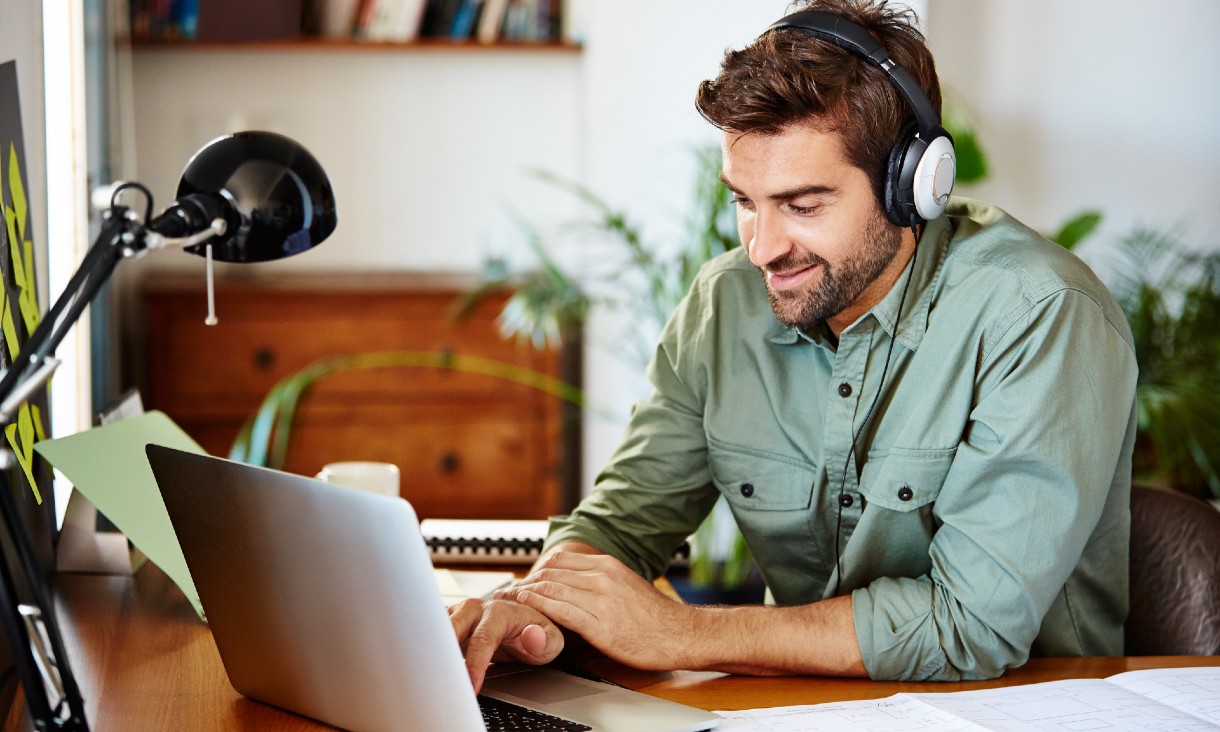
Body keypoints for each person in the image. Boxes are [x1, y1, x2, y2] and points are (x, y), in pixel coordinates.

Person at [450, 0, 1137, 689]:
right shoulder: (724, 306)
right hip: (800, 709)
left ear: (912, 187)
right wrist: (536, 611)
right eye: (745, 201)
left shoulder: (1041, 314)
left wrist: (679, 631)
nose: (763, 248)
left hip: (1023, 709)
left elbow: (970, 627)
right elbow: (622, 525)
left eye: (803, 206)